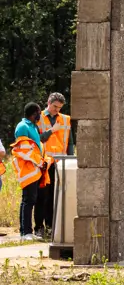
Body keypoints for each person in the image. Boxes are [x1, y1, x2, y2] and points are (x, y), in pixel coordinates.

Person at [34, 92, 68, 238]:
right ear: (48, 102)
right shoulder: (38, 118)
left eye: (59, 108)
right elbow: (37, 139)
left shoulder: (65, 120)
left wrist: (70, 159)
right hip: (44, 163)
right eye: (55, 106)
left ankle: (50, 226)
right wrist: (51, 131)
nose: (56, 110)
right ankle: (39, 227)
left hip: (59, 163)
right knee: (42, 196)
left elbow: (69, 141)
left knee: (55, 196)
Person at [10, 103, 44, 240]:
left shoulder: (33, 127)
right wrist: (39, 162)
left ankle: (28, 231)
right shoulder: (22, 126)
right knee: (28, 200)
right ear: (34, 113)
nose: (40, 115)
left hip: (35, 169)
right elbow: (23, 150)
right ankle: (25, 233)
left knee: (32, 199)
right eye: (38, 112)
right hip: (27, 169)